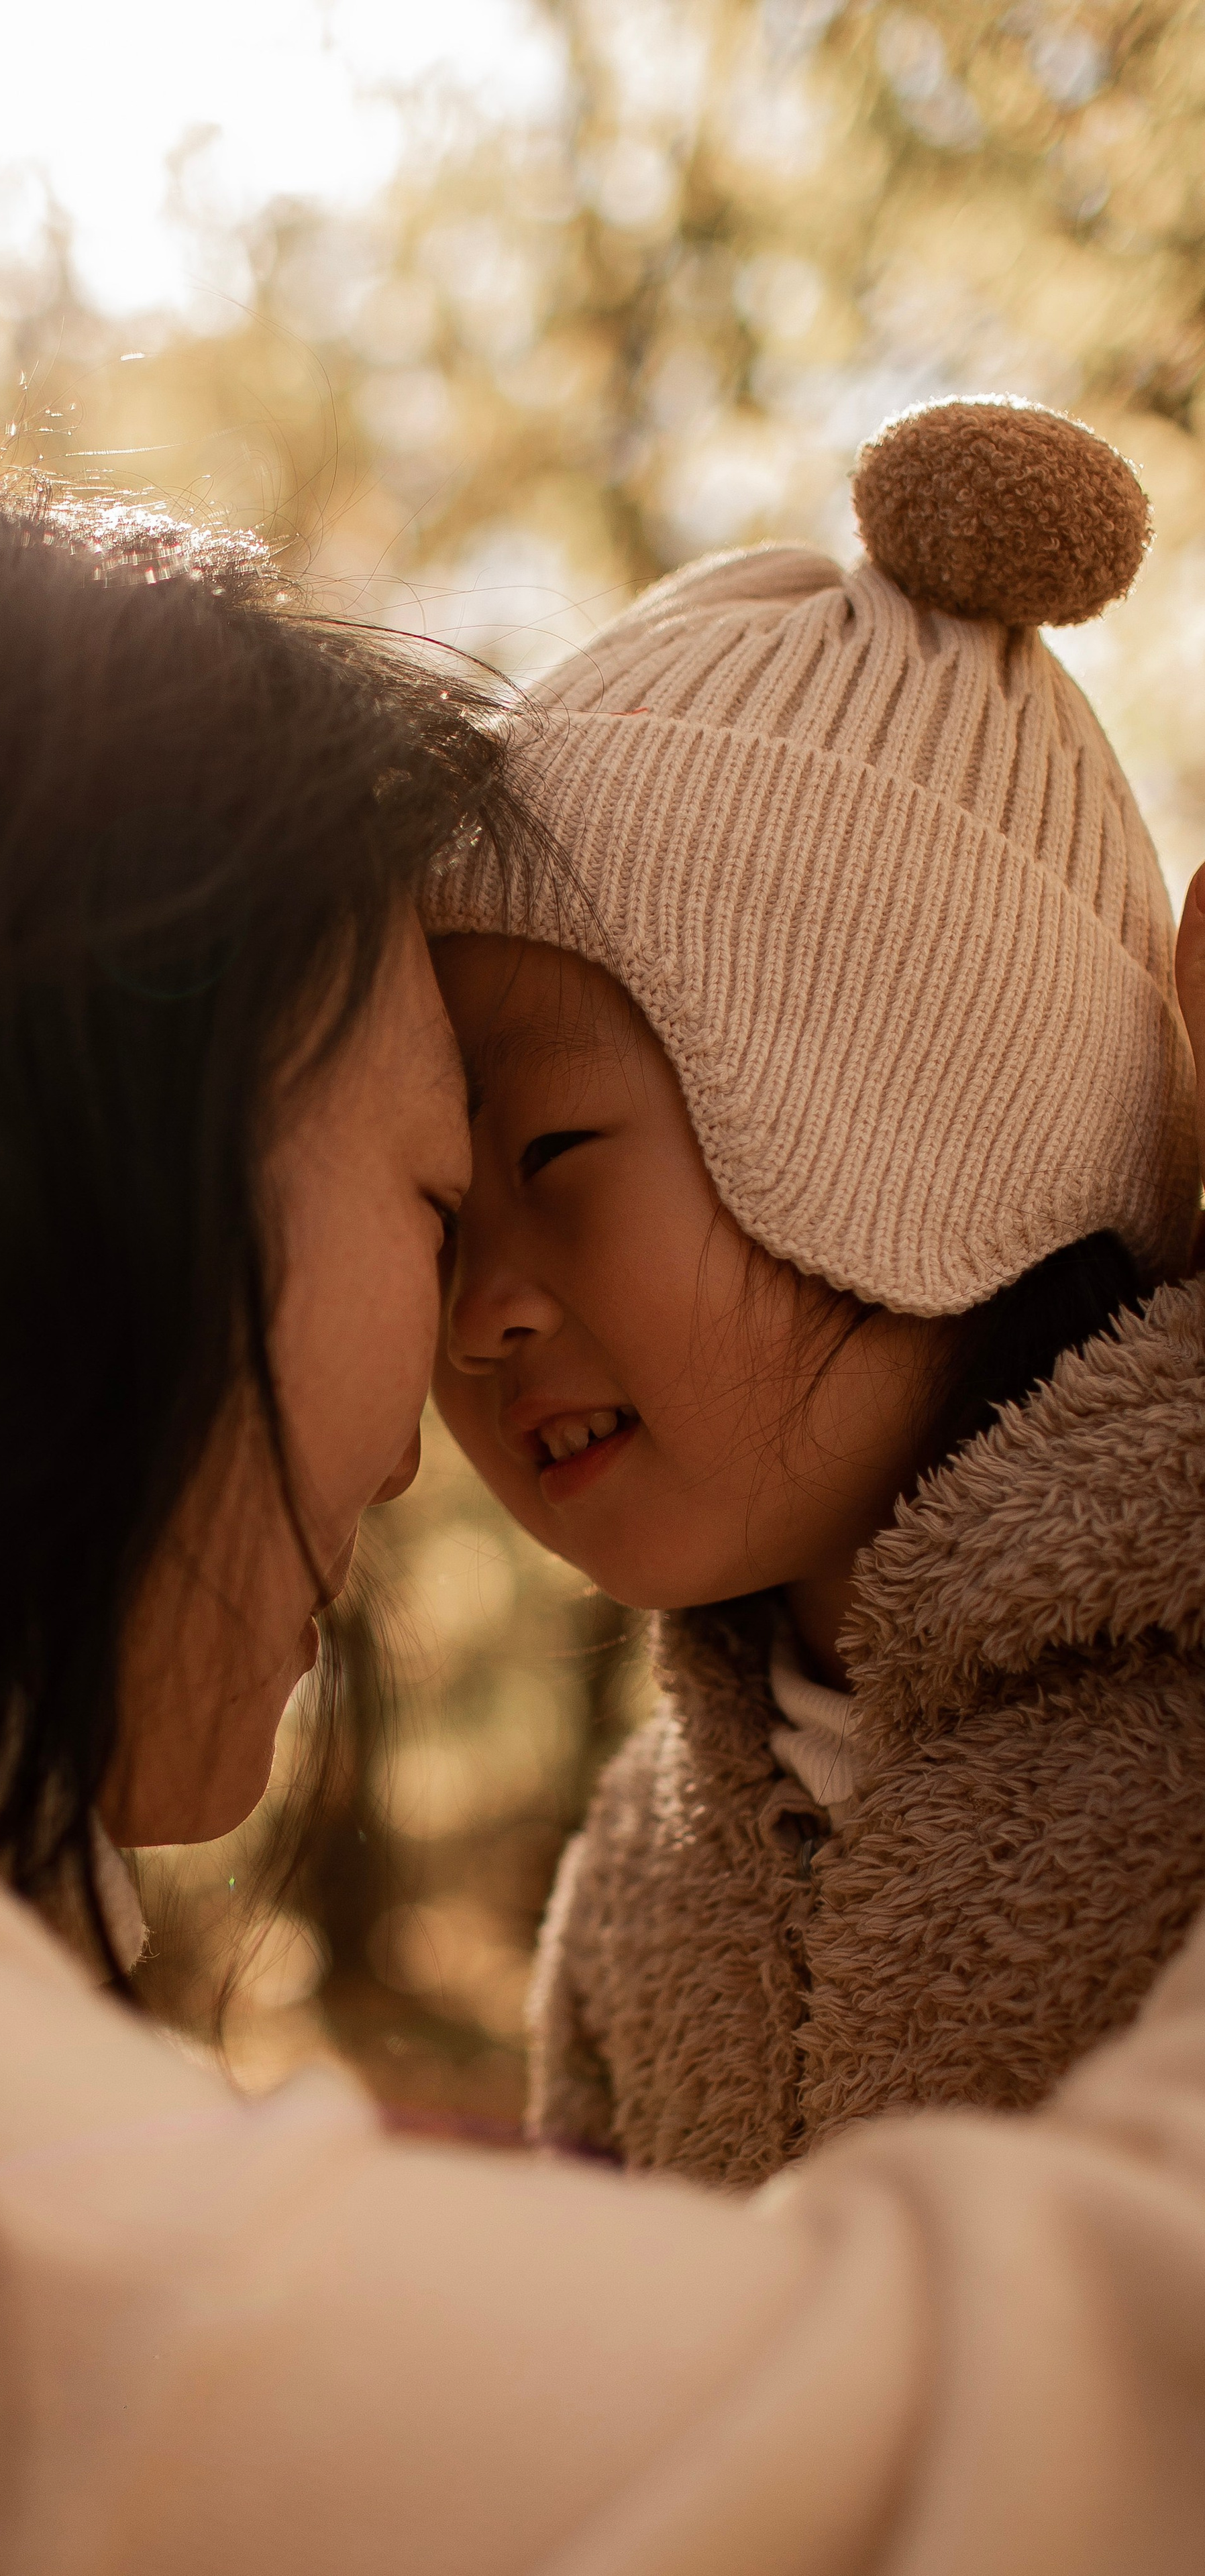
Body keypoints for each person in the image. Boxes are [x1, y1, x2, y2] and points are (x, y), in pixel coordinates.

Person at [0, 457, 1205, 2576]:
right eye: (423, 1192)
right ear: (62, 1194)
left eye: (550, 1154)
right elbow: (1041, 2436)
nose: (418, 1428)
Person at [425, 396, 1205, 2186]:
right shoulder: (642, 1867)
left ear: (916, 1120)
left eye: (547, 1156)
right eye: (440, 1209)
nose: (478, 1315)